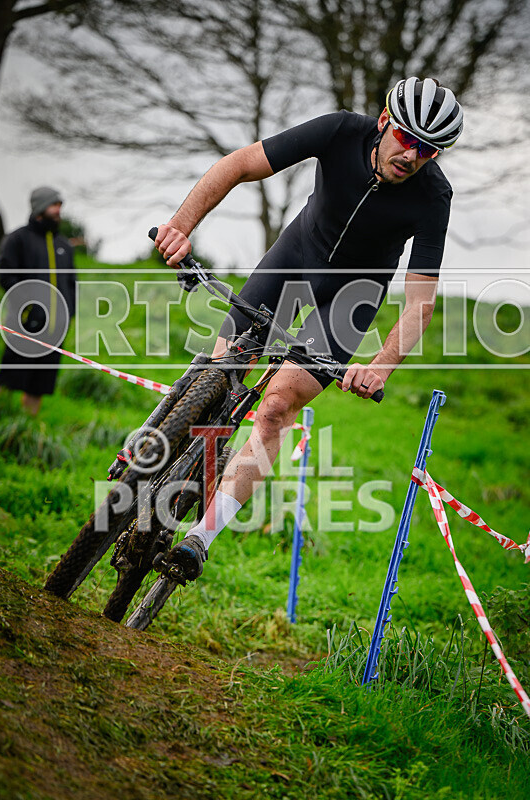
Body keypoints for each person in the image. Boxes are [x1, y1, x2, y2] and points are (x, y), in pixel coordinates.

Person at [153, 76, 464, 579]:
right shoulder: (341, 131)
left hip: (351, 295)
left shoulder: (433, 196)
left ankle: (199, 538)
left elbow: (420, 303)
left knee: (276, 407)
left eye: (428, 150)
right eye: (406, 138)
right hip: (295, 257)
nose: (412, 155)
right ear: (385, 122)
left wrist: (380, 367)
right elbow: (239, 165)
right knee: (220, 366)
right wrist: (180, 227)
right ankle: (161, 444)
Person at [0, 186, 76, 415]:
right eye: (53, 205)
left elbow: (71, 284)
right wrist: (28, 308)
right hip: (24, 324)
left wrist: (69, 313)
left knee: (40, 383)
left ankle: (26, 427)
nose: (58, 210)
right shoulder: (17, 239)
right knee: (10, 377)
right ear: (39, 208)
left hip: (55, 330)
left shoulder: (64, 246)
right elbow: (7, 277)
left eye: (59, 205)